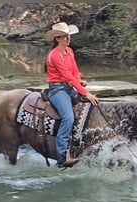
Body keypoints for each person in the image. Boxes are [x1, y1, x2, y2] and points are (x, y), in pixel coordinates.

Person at [44, 22, 99, 168]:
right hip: (57, 90)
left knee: (86, 110)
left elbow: (74, 72)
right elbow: (67, 76)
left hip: (69, 86)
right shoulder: (54, 56)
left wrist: (79, 82)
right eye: (65, 36)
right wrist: (85, 93)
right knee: (68, 117)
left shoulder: (69, 51)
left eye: (69, 36)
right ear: (58, 38)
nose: (68, 39)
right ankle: (62, 157)